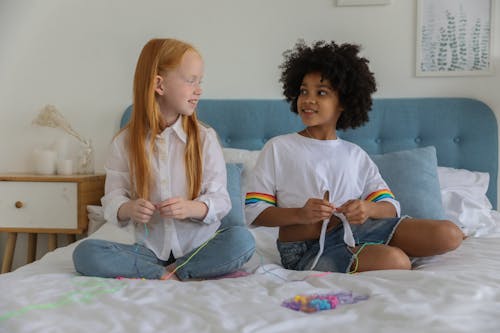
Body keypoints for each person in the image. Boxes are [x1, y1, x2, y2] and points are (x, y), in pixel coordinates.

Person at [245, 40, 463, 274]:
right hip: (306, 249)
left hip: (360, 231)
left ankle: (371, 248)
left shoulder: (354, 154)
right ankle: (376, 252)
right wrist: (300, 214)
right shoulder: (279, 148)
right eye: (303, 91)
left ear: (344, 101)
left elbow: (390, 207)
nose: (308, 99)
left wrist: (367, 209)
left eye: (321, 92)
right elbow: (254, 211)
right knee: (396, 261)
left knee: (449, 233)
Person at [73, 38, 255, 281]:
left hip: (200, 248)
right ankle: (162, 272)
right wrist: (129, 208)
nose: (198, 89)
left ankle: (182, 269)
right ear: (159, 84)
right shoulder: (124, 143)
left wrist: (191, 208)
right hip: (149, 252)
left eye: (200, 82)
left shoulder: (204, 138)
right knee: (85, 253)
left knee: (242, 240)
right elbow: (113, 198)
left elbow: (221, 200)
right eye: (191, 80)